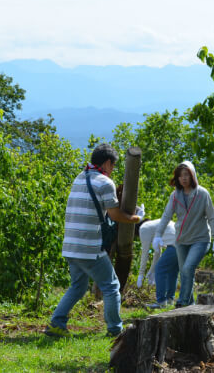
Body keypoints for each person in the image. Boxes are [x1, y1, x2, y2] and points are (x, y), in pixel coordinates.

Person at [45, 143, 141, 338]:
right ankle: (115, 330)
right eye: (113, 166)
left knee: (78, 287)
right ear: (107, 163)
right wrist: (135, 218)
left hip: (71, 246)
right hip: (89, 247)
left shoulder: (79, 178)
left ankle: (57, 323)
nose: (113, 170)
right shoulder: (105, 183)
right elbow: (114, 215)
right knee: (112, 286)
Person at [153, 161, 214, 308]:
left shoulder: (202, 194)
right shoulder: (175, 195)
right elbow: (166, 216)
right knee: (184, 274)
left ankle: (182, 302)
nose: (183, 178)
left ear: (192, 176)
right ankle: (190, 304)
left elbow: (212, 217)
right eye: (180, 175)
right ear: (177, 178)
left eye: (187, 175)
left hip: (200, 239)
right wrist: (158, 235)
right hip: (181, 240)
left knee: (187, 268)